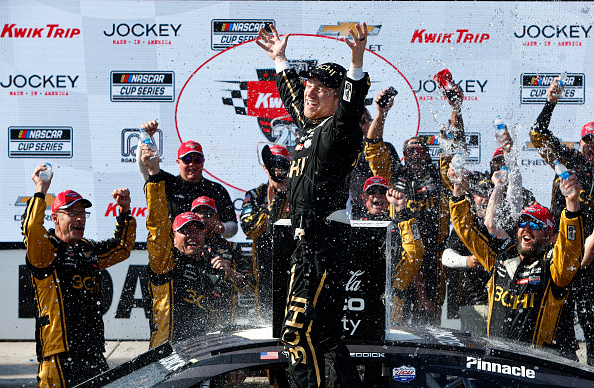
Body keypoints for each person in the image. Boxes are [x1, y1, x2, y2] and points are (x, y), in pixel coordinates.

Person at [257, 22, 370, 387]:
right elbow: (294, 96)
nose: (311, 91)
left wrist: (355, 63)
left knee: (295, 334)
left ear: (338, 98)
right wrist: (280, 60)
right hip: (306, 245)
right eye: (311, 83)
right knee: (323, 338)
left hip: (323, 243)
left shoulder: (340, 131)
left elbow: (352, 109)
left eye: (322, 88)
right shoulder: (309, 127)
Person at [22, 164, 136, 387]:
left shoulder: (88, 249)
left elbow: (123, 247)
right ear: (55, 219)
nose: (80, 219)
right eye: (72, 213)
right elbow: (32, 229)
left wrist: (124, 211)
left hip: (92, 351)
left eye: (82, 213)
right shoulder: (46, 251)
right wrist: (41, 190)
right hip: (59, 354)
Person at [448, 163, 584, 348]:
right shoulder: (501, 256)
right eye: (523, 223)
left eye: (536, 225)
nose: (527, 228)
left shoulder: (552, 266)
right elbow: (467, 232)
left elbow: (570, 248)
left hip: (536, 365)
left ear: (550, 236)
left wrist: (571, 204)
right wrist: (458, 189)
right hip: (498, 360)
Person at [141, 146, 249, 348]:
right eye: (185, 230)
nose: (193, 233)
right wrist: (153, 172)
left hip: (213, 347)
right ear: (174, 235)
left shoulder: (215, 257)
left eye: (198, 228)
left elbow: (249, 288)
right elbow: (156, 224)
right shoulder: (167, 260)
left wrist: (231, 273)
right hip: (170, 352)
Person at [529, 79, 594, 365]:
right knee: (559, 323)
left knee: (592, 326)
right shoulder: (566, 159)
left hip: (592, 259)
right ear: (579, 143)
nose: (591, 146)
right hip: (561, 253)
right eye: (587, 140)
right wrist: (550, 103)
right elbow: (537, 135)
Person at [137, 120, 238, 238]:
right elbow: (146, 168)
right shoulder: (169, 183)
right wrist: (144, 137)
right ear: (178, 162)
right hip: (175, 248)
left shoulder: (216, 189)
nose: (192, 164)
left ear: (203, 162)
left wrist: (221, 227)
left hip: (207, 249)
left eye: (197, 160)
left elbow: (233, 227)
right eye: (187, 159)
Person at [358, 176, 425, 323]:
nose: (377, 195)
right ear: (364, 198)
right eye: (372, 191)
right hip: (358, 293)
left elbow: (415, 253)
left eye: (382, 192)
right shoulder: (353, 225)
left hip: (392, 295)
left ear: (388, 199)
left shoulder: (400, 224)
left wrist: (401, 208)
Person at [240, 144, 290, 320]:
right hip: (264, 266)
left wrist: (284, 195)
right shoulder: (255, 195)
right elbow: (248, 229)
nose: (277, 169)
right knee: (267, 316)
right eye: (272, 164)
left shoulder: (297, 194)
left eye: (281, 164)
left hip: (293, 264)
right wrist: (270, 209)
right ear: (265, 167)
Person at [441, 173, 491, 336]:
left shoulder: (504, 223)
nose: (485, 199)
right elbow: (446, 256)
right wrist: (466, 260)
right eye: (480, 194)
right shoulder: (467, 225)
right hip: (473, 304)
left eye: (489, 193)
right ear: (472, 198)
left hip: (502, 305)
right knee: (475, 355)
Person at [192, 195, 256, 324]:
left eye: (208, 214)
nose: (203, 218)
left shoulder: (232, 248)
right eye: (198, 214)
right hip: (193, 323)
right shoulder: (186, 249)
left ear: (216, 218)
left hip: (227, 324)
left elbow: (250, 288)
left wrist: (230, 271)